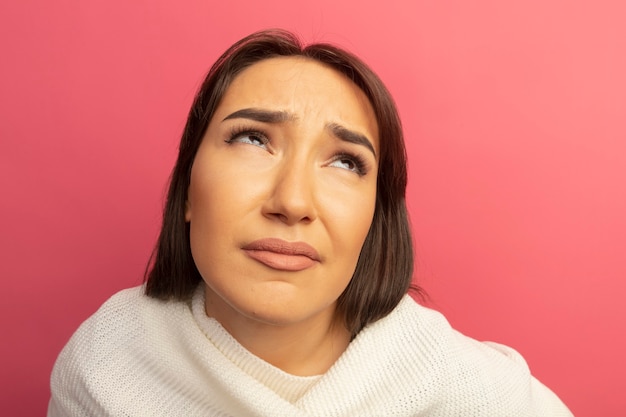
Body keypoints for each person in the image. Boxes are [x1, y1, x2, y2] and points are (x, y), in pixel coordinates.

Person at [48, 29, 573, 416]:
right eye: (253, 139)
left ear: (375, 220)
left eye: (346, 161)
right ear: (188, 186)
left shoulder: (469, 390)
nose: (293, 201)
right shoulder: (105, 366)